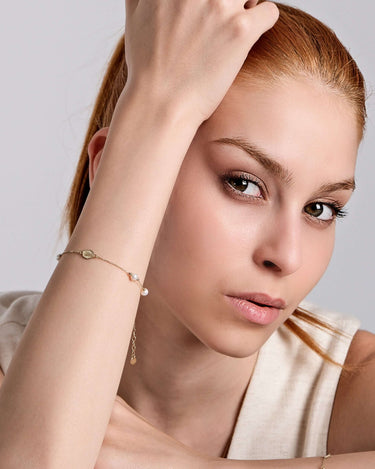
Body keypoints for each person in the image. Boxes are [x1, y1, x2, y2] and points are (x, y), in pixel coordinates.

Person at [0, 0, 374, 467]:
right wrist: (155, 102)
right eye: (244, 184)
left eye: (321, 208)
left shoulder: (350, 381)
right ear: (114, 161)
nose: (287, 255)